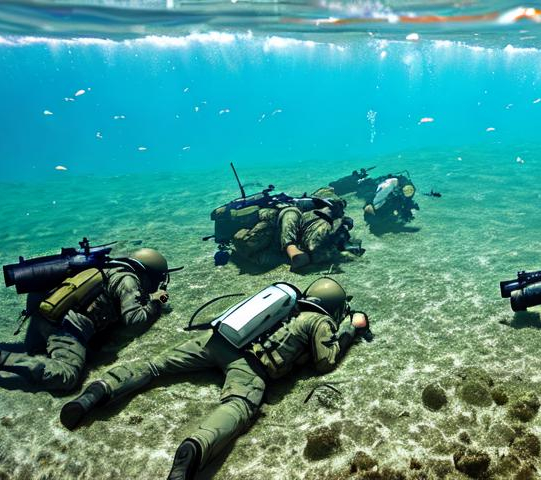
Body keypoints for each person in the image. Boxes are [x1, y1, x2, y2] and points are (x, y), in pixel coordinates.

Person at [59, 277, 372, 480]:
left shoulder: (281, 302)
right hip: (249, 365)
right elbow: (325, 363)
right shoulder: (318, 320)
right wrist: (351, 329)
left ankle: (97, 392)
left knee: (157, 366)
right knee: (238, 406)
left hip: (217, 339)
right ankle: (196, 447)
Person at [0, 248, 172, 391]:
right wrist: (155, 301)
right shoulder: (127, 279)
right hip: (65, 328)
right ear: (148, 273)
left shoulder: (106, 266)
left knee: (34, 357)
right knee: (65, 377)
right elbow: (134, 319)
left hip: (42, 315)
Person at [231, 187, 364, 270]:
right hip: (269, 228)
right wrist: (291, 247)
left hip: (269, 249)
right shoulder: (287, 209)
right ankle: (291, 247)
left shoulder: (316, 214)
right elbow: (287, 214)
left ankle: (292, 250)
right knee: (290, 212)